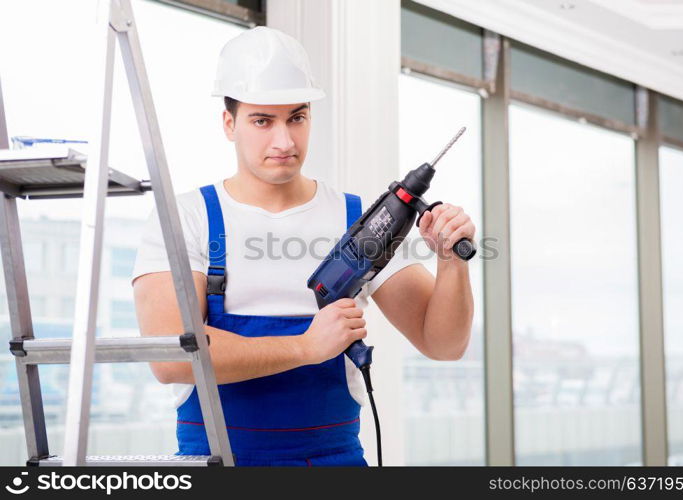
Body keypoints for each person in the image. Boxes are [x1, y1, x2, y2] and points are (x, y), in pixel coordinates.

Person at [131, 26, 475, 467]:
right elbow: (172, 359)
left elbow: (442, 343)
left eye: (297, 117)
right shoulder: (186, 218)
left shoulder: (360, 222)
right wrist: (304, 348)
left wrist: (451, 263)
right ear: (229, 123)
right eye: (262, 120)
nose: (285, 141)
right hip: (217, 463)